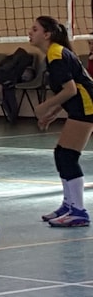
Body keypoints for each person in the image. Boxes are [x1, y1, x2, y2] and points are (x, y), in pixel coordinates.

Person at [29, 16, 93, 227]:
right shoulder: (54, 53)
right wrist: (54, 112)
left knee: (67, 156)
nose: (30, 32)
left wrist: (44, 107)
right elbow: (69, 90)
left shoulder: (56, 54)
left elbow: (71, 89)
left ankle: (78, 212)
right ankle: (69, 205)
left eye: (35, 29)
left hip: (86, 106)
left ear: (47, 34)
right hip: (81, 105)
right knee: (62, 154)